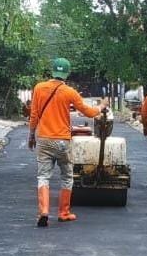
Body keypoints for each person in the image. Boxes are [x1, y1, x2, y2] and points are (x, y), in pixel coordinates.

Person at [29, 58, 109, 227]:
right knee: (66, 176)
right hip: (63, 141)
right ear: (66, 73)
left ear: (52, 72)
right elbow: (88, 112)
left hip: (44, 139)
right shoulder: (69, 92)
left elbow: (34, 115)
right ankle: (63, 212)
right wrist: (101, 107)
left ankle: (43, 212)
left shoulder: (39, 88)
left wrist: (31, 135)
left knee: (43, 176)